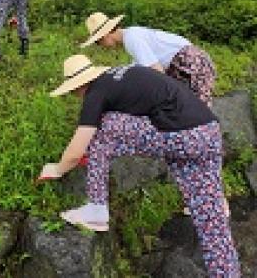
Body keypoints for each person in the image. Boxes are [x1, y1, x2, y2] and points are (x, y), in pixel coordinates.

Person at [39, 55, 240, 278]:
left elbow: (76, 150)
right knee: (213, 225)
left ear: (78, 86)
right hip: (209, 133)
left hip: (182, 136)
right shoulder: (123, 76)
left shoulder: (96, 92)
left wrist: (56, 169)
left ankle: (96, 209)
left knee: (104, 125)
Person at [81, 12, 216, 106]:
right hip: (186, 62)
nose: (101, 46)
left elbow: (157, 72)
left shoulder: (132, 39)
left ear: (105, 35)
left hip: (191, 63)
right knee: (188, 106)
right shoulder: (132, 34)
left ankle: (210, 144)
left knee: (197, 110)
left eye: (98, 42)